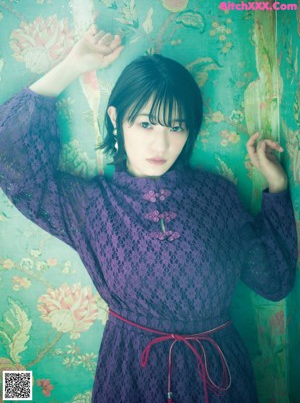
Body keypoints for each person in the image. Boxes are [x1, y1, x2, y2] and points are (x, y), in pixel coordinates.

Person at [0, 25, 298, 403]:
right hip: (129, 377)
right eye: (145, 124)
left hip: (219, 380)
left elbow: (275, 282)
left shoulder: (218, 196)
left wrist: (276, 188)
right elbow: (10, 151)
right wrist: (73, 65)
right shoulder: (90, 206)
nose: (161, 143)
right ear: (115, 119)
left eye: (176, 127)